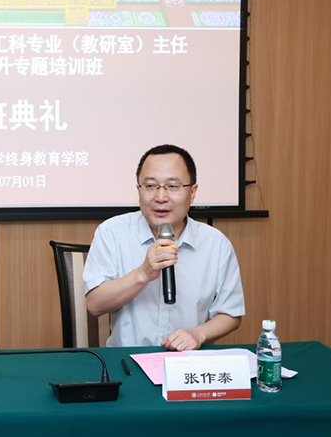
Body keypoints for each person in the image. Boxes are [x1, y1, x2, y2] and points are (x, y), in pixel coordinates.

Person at [83, 144, 244, 350]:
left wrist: (198, 334)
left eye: (173, 186)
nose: (160, 197)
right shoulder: (111, 233)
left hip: (189, 361)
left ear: (192, 192)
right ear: (138, 190)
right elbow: (95, 305)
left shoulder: (216, 244)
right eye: (150, 186)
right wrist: (143, 274)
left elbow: (231, 313)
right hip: (126, 359)